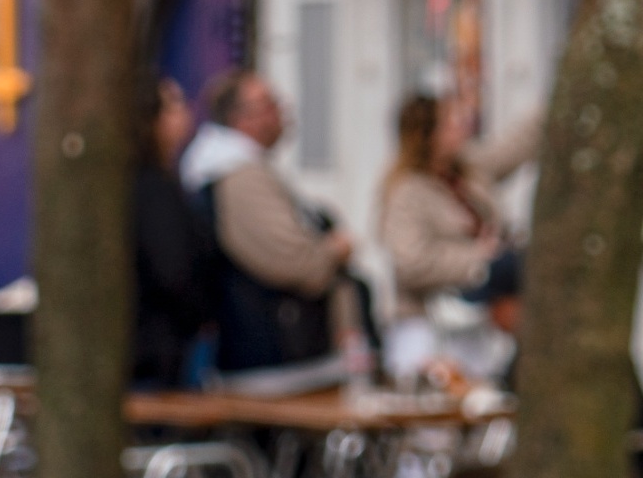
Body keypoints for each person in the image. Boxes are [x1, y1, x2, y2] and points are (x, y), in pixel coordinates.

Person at [187, 69, 361, 376]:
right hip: (271, 356)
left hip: (281, 352)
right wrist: (334, 249)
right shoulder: (237, 176)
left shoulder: (246, 169)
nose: (282, 112)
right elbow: (296, 262)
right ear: (241, 118)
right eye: (269, 104)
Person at [378, 92, 539, 379]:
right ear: (428, 135)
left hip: (483, 305)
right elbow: (412, 263)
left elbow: (513, 147)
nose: (461, 127)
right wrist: (480, 257)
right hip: (443, 308)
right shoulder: (407, 192)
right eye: (450, 122)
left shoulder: (467, 171)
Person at [132, 76, 219, 388]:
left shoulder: (162, 180)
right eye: (176, 104)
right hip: (158, 350)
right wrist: (202, 314)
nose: (187, 112)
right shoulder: (152, 188)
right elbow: (173, 269)